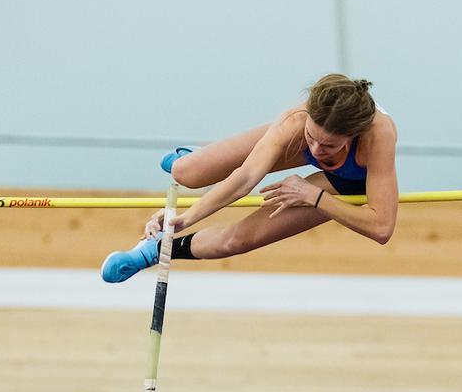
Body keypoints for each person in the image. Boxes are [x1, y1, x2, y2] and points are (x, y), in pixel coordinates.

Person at [100, 73, 398, 282]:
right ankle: (200, 159)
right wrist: (185, 218)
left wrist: (314, 197)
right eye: (313, 136)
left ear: (352, 135)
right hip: (293, 145)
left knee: (237, 241)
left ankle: (150, 253)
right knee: (185, 173)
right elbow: (246, 179)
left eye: (330, 145)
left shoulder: (379, 135)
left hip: (345, 183)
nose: (318, 150)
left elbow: (382, 227)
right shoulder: (295, 122)